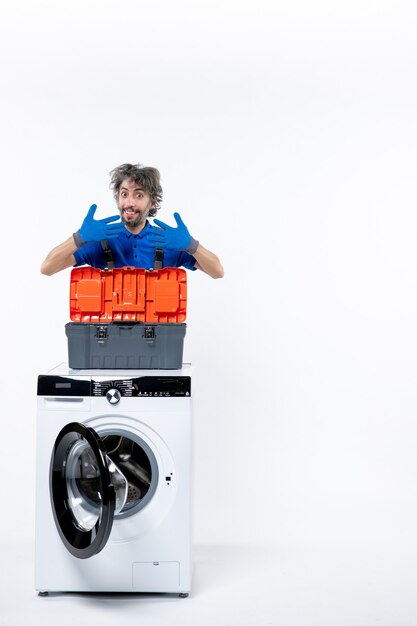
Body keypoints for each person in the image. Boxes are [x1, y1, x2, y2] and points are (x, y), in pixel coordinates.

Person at [41, 163, 224, 279]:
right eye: (124, 194)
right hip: (109, 339)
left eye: (138, 195)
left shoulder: (167, 242)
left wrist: (192, 246)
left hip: (157, 339)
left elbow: (217, 272)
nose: (129, 202)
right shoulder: (102, 241)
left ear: (152, 203)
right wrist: (78, 239)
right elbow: (47, 268)